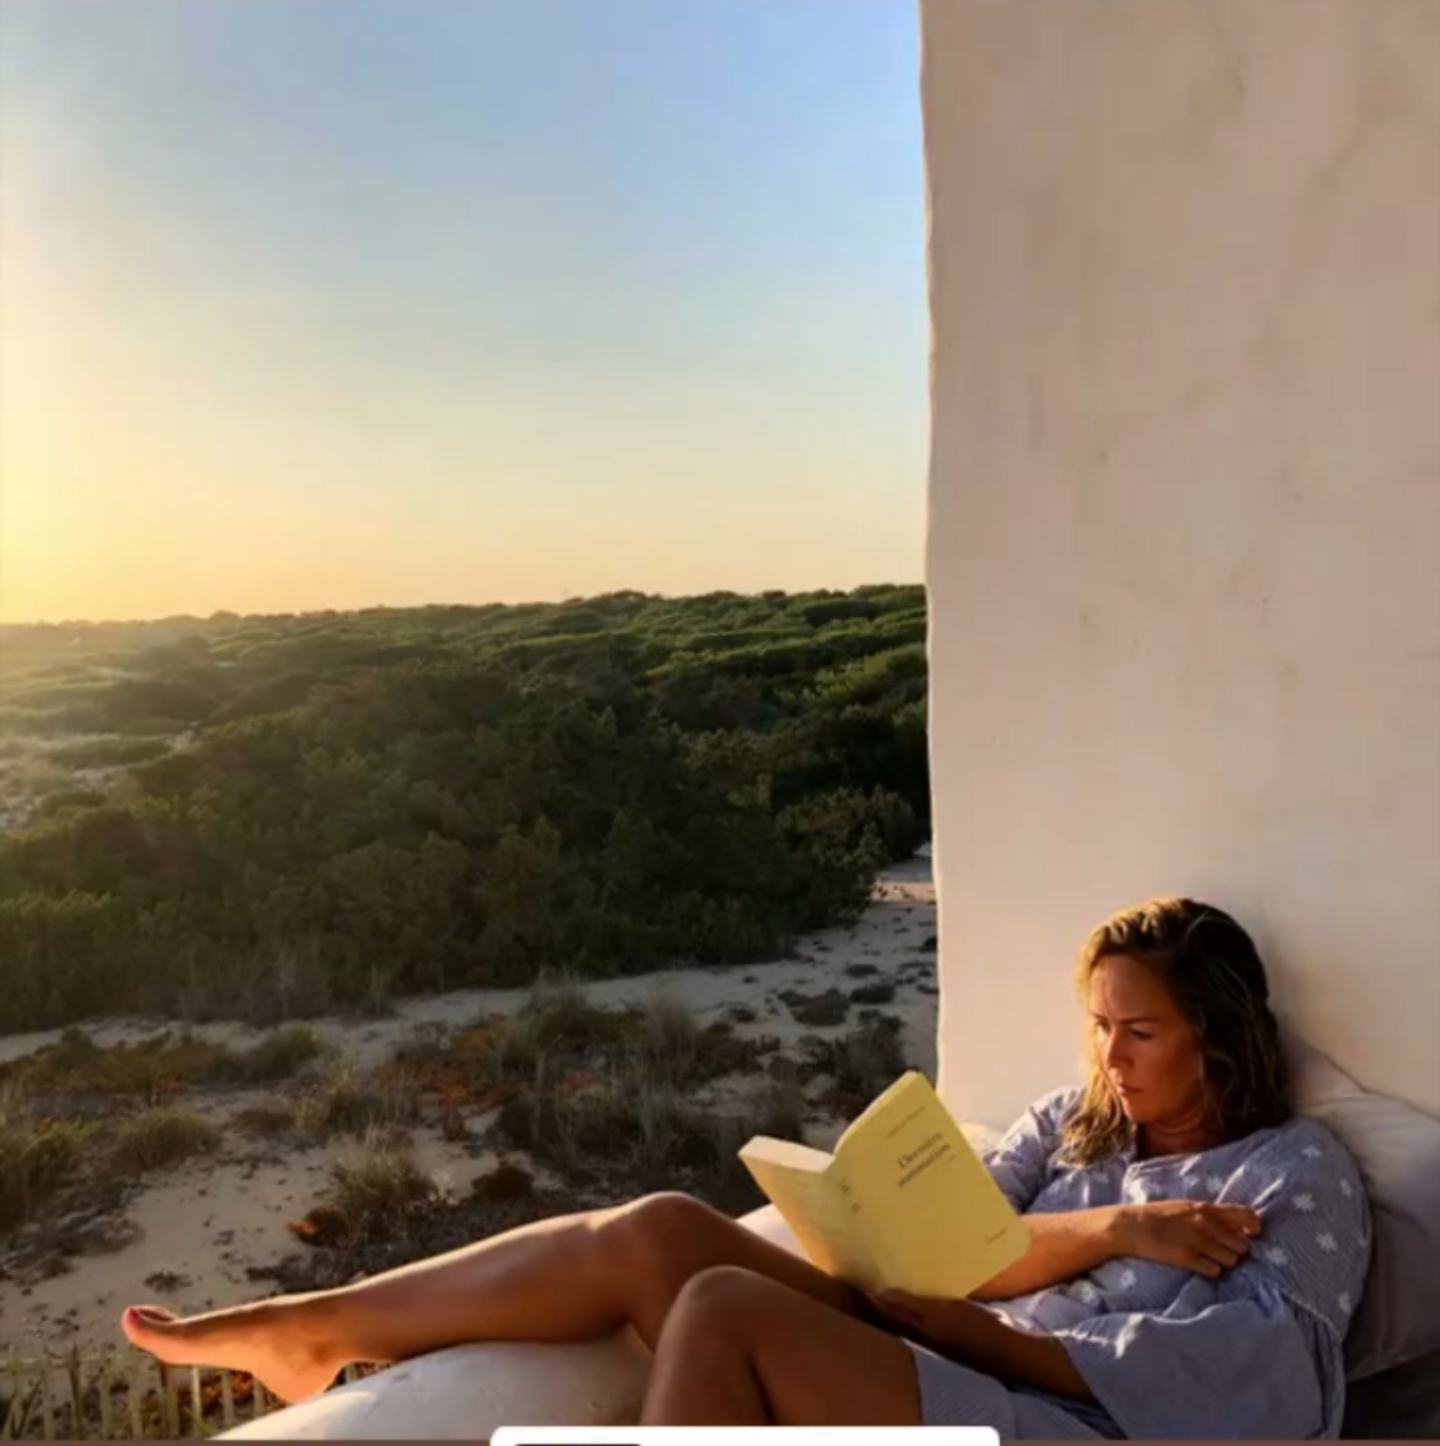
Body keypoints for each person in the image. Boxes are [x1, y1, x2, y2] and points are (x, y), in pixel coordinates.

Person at [120, 897, 1371, 1437]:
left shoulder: (1293, 1173)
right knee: (662, 1228)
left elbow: (1267, 1389)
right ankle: (315, 1325)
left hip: (1061, 1422)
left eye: (1138, 1032)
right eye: (1097, 1026)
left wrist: (984, 1330)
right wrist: (1110, 1230)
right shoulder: (1073, 1123)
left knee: (722, 1304)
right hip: (941, 1348)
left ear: (1220, 1034)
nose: (1109, 1057)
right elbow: (965, 1253)